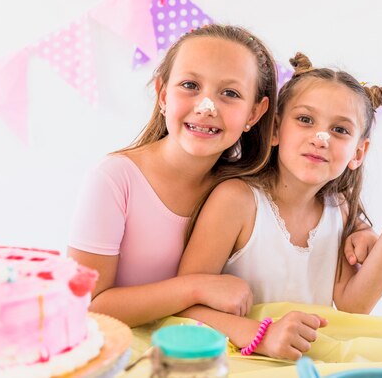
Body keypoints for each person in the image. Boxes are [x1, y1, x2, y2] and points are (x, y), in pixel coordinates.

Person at [177, 52, 382, 360]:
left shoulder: (337, 210)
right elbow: (182, 303)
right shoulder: (236, 201)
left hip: (308, 360)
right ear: (274, 130)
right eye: (305, 120)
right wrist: (261, 337)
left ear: (358, 152)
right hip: (241, 357)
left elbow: (355, 305)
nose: (321, 138)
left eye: (340, 130)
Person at [67, 24, 279, 327]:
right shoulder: (113, 179)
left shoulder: (241, 192)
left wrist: (359, 230)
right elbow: (86, 308)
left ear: (254, 114)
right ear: (163, 94)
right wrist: (196, 287)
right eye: (191, 85)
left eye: (230, 93)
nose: (207, 107)